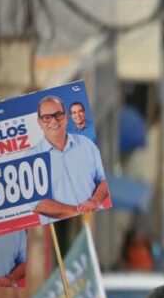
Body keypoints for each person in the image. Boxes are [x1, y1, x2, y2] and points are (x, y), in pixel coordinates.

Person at [31, 96, 108, 224]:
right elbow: (36, 203)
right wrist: (76, 212)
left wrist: (95, 201)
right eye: (46, 117)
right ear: (40, 122)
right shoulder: (32, 157)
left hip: (93, 220)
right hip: (58, 229)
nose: (53, 121)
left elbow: (104, 179)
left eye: (58, 114)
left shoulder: (86, 144)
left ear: (66, 117)